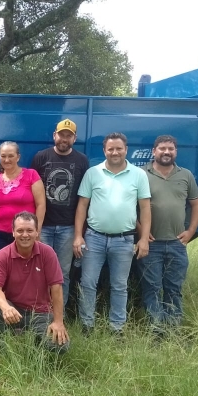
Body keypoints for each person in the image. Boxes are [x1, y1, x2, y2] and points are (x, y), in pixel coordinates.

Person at [73, 132, 151, 335]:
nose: (115, 152)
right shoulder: (93, 173)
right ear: (104, 151)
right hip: (94, 238)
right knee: (88, 283)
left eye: (119, 148)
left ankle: (117, 328)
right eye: (110, 149)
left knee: (119, 286)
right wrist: (78, 236)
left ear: (126, 150)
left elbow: (145, 208)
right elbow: (82, 205)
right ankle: (87, 325)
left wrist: (143, 239)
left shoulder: (138, 175)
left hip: (124, 240)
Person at [137, 135, 198, 333]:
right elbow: (129, 205)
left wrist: (191, 231)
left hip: (176, 244)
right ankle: (157, 330)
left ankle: (173, 328)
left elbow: (197, 203)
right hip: (151, 243)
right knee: (152, 288)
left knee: (174, 288)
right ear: (154, 151)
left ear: (176, 152)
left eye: (171, 149)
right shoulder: (141, 174)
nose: (167, 152)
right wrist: (142, 232)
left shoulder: (186, 175)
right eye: (162, 148)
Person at [0, 212, 69, 353]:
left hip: (41, 313)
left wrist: (58, 322)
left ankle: (30, 339)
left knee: (60, 347)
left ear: (37, 232)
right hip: (14, 310)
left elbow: (56, 287)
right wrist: (6, 307)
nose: (25, 235)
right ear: (13, 232)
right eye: (20, 230)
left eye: (30, 230)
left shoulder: (48, 253)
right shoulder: (2, 255)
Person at [30, 119, 89, 308]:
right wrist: (35, 228)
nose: (64, 139)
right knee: (39, 271)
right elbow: (32, 193)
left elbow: (84, 198)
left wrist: (80, 233)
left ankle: (58, 316)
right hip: (43, 226)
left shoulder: (82, 161)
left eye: (68, 136)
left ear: (74, 138)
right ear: (54, 135)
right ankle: (40, 313)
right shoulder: (40, 157)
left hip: (68, 228)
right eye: (61, 135)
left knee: (62, 274)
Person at [0, 141, 46, 258]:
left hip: (24, 234)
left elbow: (41, 205)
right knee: (2, 268)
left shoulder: (31, 175)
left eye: (11, 156)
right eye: (3, 156)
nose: (7, 160)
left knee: (23, 268)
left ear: (18, 157)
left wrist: (37, 231)